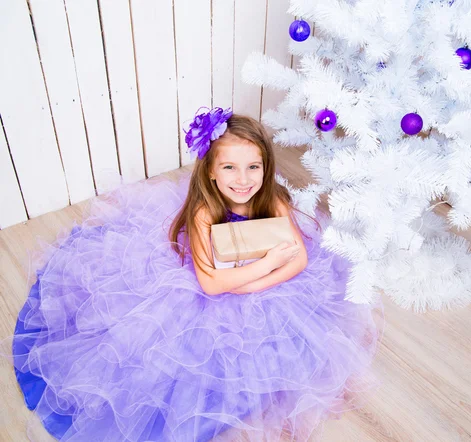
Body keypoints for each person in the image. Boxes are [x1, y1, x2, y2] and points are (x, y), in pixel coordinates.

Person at [11, 107, 380, 441]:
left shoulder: (273, 200)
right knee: (178, 351)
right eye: (229, 168)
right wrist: (265, 266)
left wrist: (252, 283)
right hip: (219, 279)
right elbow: (210, 283)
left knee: (286, 344)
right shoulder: (205, 212)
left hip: (251, 277)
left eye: (254, 167)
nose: (243, 179)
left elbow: (298, 260)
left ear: (266, 166)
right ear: (211, 171)